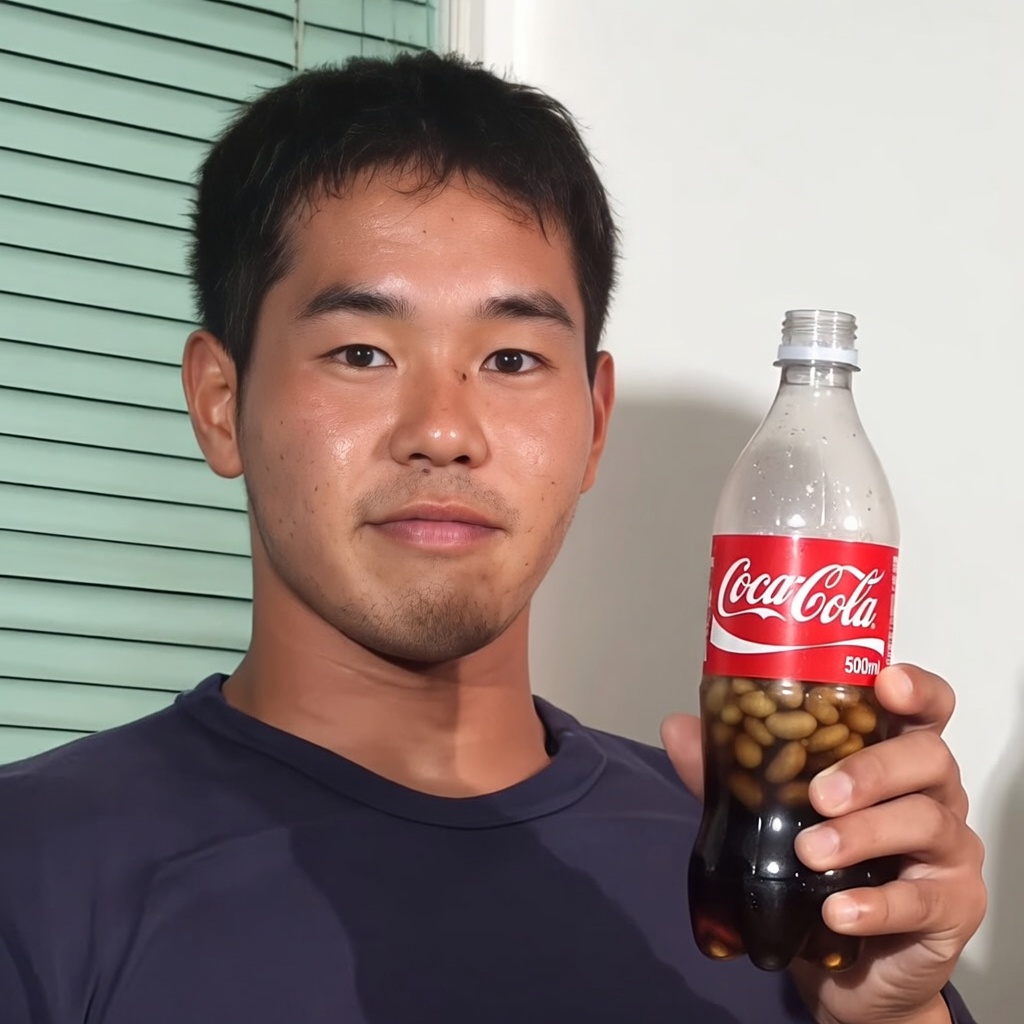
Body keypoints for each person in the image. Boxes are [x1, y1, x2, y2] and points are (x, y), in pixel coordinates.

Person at [0, 52, 984, 1024]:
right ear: (221, 403)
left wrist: (891, 1019)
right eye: (361, 352)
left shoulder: (777, 880)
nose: (443, 430)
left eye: (511, 359)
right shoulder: (34, 868)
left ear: (594, 423)